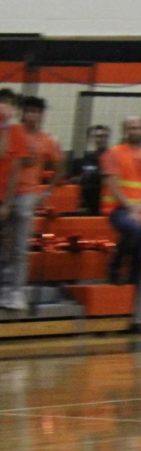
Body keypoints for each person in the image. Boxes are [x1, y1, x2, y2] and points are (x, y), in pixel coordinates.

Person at [2, 95, 61, 312]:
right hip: (5, 193)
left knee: (19, 248)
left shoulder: (48, 140)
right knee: (5, 247)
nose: (32, 115)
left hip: (26, 195)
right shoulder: (11, 133)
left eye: (36, 112)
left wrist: (45, 193)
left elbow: (60, 168)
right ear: (22, 113)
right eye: (29, 111)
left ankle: (16, 292)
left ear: (42, 115)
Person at [102, 116, 141, 321]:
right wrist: (131, 207)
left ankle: (134, 316)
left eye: (138, 127)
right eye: (131, 127)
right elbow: (113, 185)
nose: (135, 130)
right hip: (118, 209)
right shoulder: (114, 153)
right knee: (134, 228)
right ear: (125, 130)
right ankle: (116, 262)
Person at [0, 89, 30, 311]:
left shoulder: (16, 132)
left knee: (15, 248)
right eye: (2, 103)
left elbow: (15, 170)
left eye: (9, 105)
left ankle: (15, 292)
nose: (4, 108)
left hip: (8, 198)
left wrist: (7, 203)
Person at [69, 124, 110, 215]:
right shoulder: (81, 161)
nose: (101, 140)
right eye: (98, 136)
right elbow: (72, 181)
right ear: (90, 139)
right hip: (86, 204)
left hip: (106, 204)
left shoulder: (114, 160)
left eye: (104, 136)